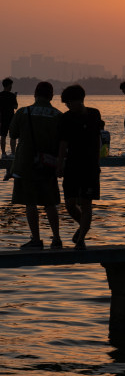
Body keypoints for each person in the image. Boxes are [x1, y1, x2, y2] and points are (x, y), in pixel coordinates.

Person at [9, 81, 62, 250]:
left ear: (34, 94)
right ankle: (57, 238)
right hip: (48, 164)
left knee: (30, 202)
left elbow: (14, 133)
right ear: (51, 96)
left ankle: (36, 240)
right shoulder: (58, 115)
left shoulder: (23, 112)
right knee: (50, 202)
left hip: (26, 163)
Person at [57, 84, 102, 250]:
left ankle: (81, 238)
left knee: (86, 203)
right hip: (72, 165)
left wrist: (97, 161)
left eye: (69, 102)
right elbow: (63, 143)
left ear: (79, 100)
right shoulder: (66, 118)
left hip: (89, 165)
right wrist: (60, 164)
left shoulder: (94, 114)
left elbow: (98, 139)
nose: (68, 106)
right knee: (69, 203)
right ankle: (84, 226)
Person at [0, 77, 18, 158]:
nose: (11, 87)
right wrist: (15, 97)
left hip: (2, 118)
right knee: (12, 136)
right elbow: (15, 106)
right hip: (11, 118)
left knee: (3, 136)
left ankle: (3, 153)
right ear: (8, 85)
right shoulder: (12, 95)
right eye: (11, 85)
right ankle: (13, 153)